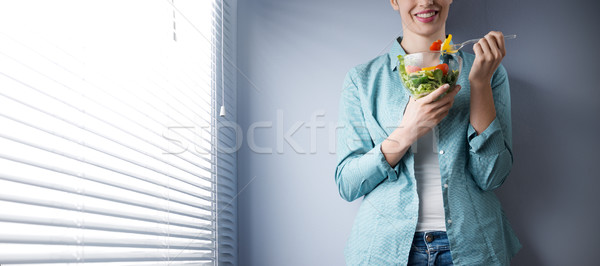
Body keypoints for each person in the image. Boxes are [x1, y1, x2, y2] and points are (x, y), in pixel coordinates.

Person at [334, 0, 521, 265]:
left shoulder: (488, 71)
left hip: (473, 248)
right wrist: (406, 132)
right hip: (384, 250)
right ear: (394, 1)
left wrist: (479, 84)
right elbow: (347, 184)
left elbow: (492, 177)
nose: (426, 1)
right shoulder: (361, 80)